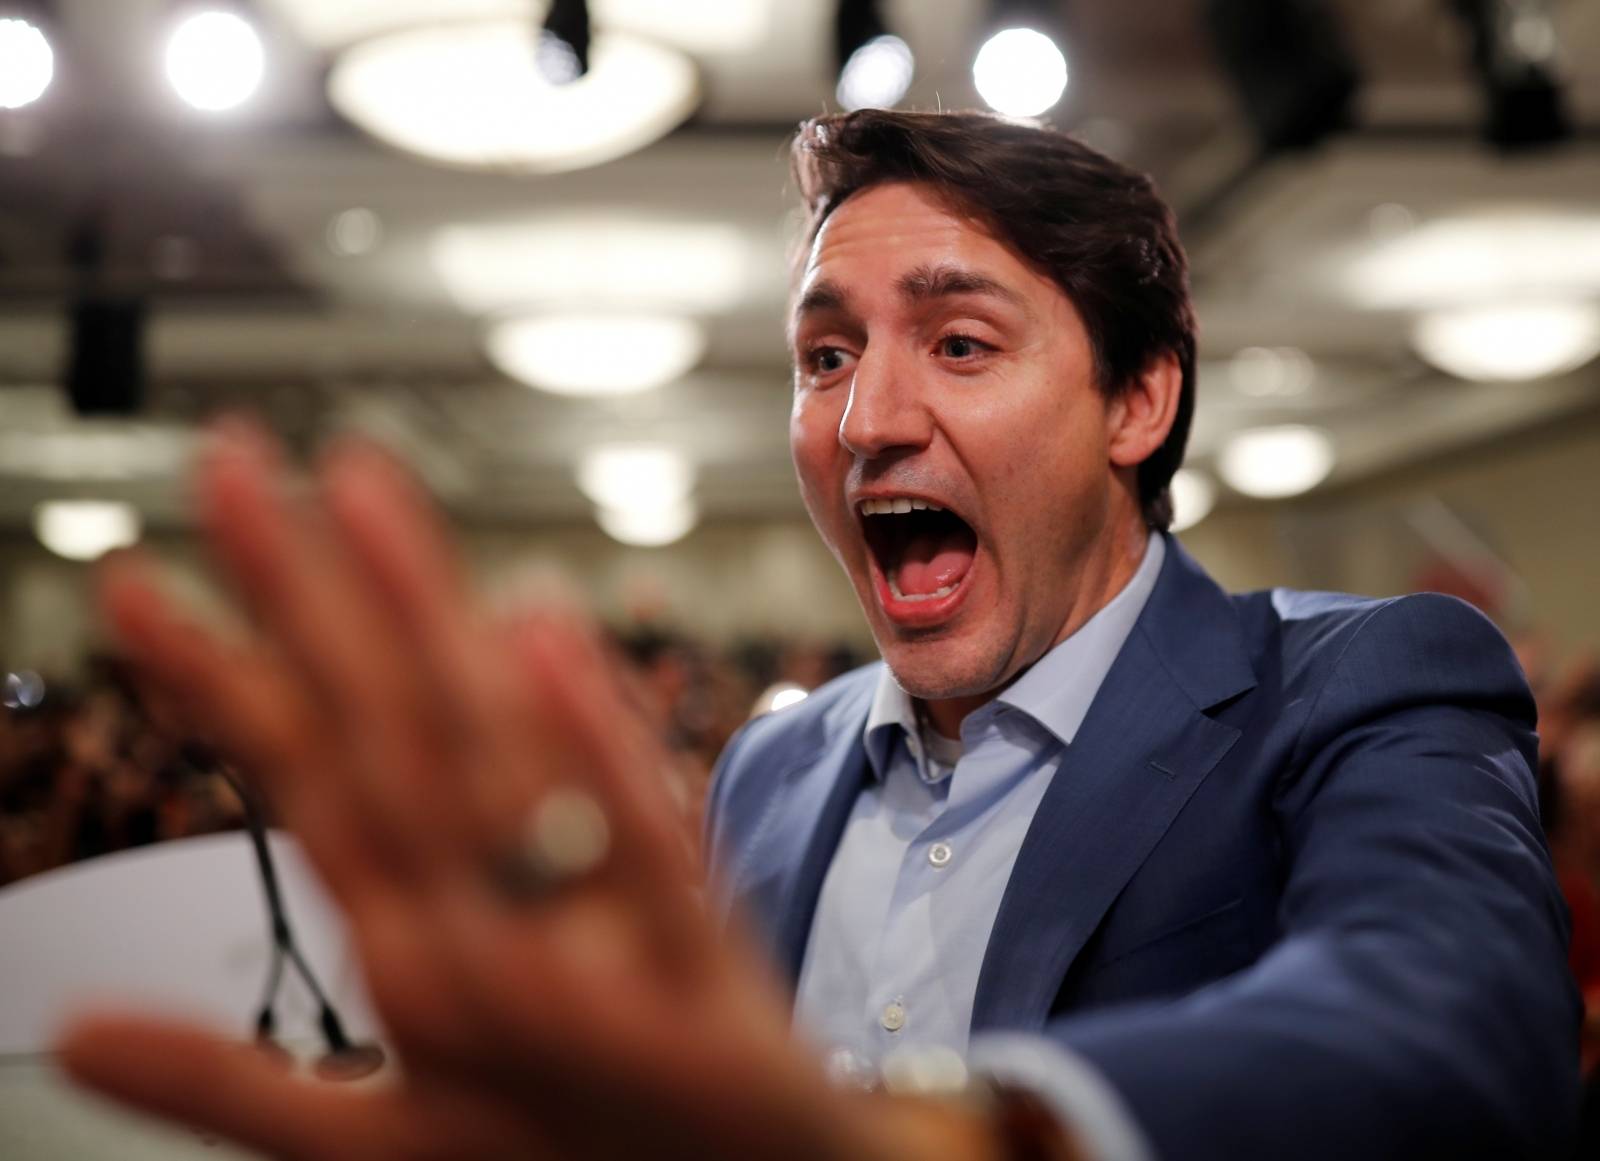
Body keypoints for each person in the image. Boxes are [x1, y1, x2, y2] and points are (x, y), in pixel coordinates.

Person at [55, 110, 1576, 1161]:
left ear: (1138, 399)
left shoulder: (1363, 678)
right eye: (824, 354)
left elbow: (1451, 1029)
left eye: (961, 343)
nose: (865, 419)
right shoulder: (769, 775)